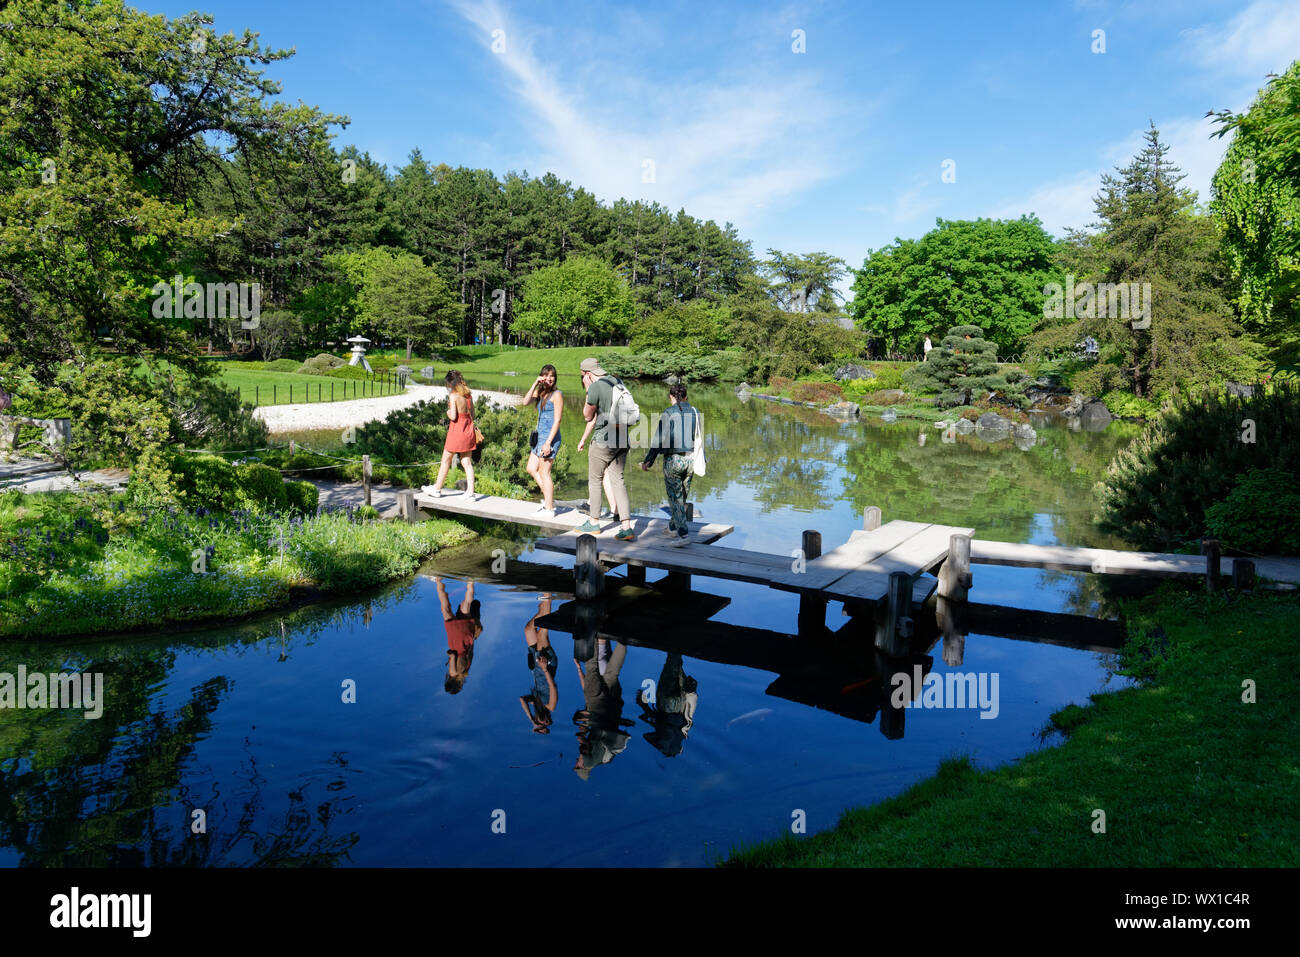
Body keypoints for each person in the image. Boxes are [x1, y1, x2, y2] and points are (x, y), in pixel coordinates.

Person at [575, 357, 635, 541]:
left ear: (587, 374)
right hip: (623, 440)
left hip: (604, 440)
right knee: (619, 481)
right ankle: (626, 528)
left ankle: (594, 522)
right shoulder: (617, 381)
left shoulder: (595, 386)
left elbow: (587, 416)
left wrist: (587, 390)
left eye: (583, 375)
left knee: (595, 480)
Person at [640, 381, 697, 547]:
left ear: (671, 397)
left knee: (675, 498)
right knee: (682, 496)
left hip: (673, 461)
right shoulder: (695, 411)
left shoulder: (668, 413)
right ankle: (672, 527)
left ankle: (683, 534)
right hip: (691, 460)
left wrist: (648, 460)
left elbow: (659, 440)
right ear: (686, 396)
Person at [426, 370, 477, 499]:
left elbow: (453, 416)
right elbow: (473, 415)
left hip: (457, 432)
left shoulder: (453, 396)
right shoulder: (468, 395)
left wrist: (448, 412)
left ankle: (437, 489)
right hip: (468, 430)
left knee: (445, 461)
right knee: (467, 462)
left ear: (450, 383)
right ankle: (470, 493)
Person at [522, 364, 562, 517]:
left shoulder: (557, 395)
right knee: (531, 468)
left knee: (545, 473)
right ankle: (548, 500)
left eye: (552, 376)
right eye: (546, 375)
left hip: (549, 439)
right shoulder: (541, 392)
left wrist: (548, 443)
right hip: (539, 437)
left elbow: (557, 420)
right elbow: (525, 402)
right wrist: (535, 384)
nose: (549, 378)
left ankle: (549, 509)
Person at [434, 576, 482, 694]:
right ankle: (438, 579)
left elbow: (471, 651)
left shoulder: (465, 670)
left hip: (466, 638)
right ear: (449, 681)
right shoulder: (454, 673)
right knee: (445, 609)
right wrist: (449, 654)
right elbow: (453, 655)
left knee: (466, 605)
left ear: (459, 685)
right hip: (456, 640)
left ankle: (471, 581)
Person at [520, 593, 558, 733]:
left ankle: (543, 609)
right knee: (542, 632)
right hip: (546, 664)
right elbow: (552, 687)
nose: (541, 722)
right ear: (548, 721)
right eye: (543, 724)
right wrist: (545, 668)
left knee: (529, 629)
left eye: (538, 724)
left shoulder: (536, 703)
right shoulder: (550, 706)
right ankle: (547, 596)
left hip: (536, 662)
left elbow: (521, 699)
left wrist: (531, 719)